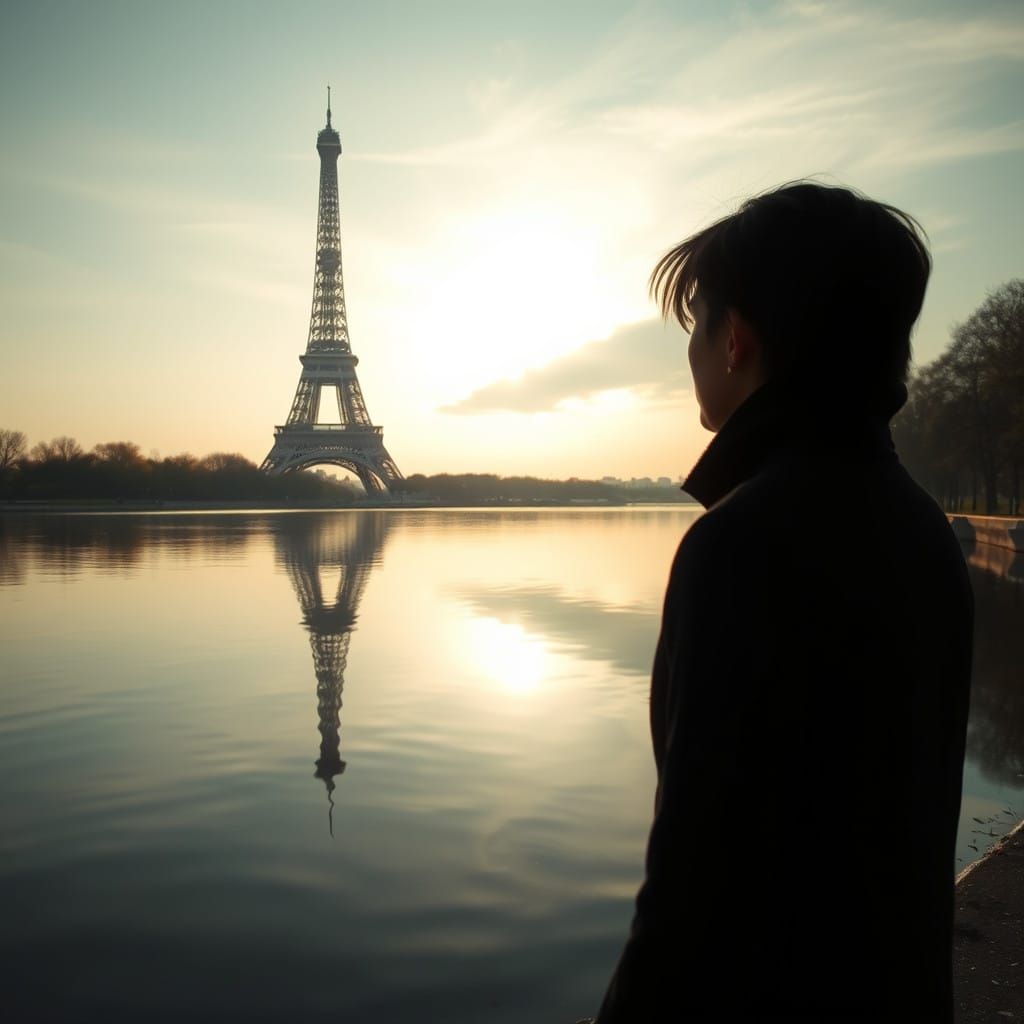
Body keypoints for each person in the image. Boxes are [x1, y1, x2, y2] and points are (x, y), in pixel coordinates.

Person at [593, 182, 974, 1022]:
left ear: (736, 342)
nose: (689, 349)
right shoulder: (922, 530)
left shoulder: (738, 546)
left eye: (695, 325)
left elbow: (691, 890)